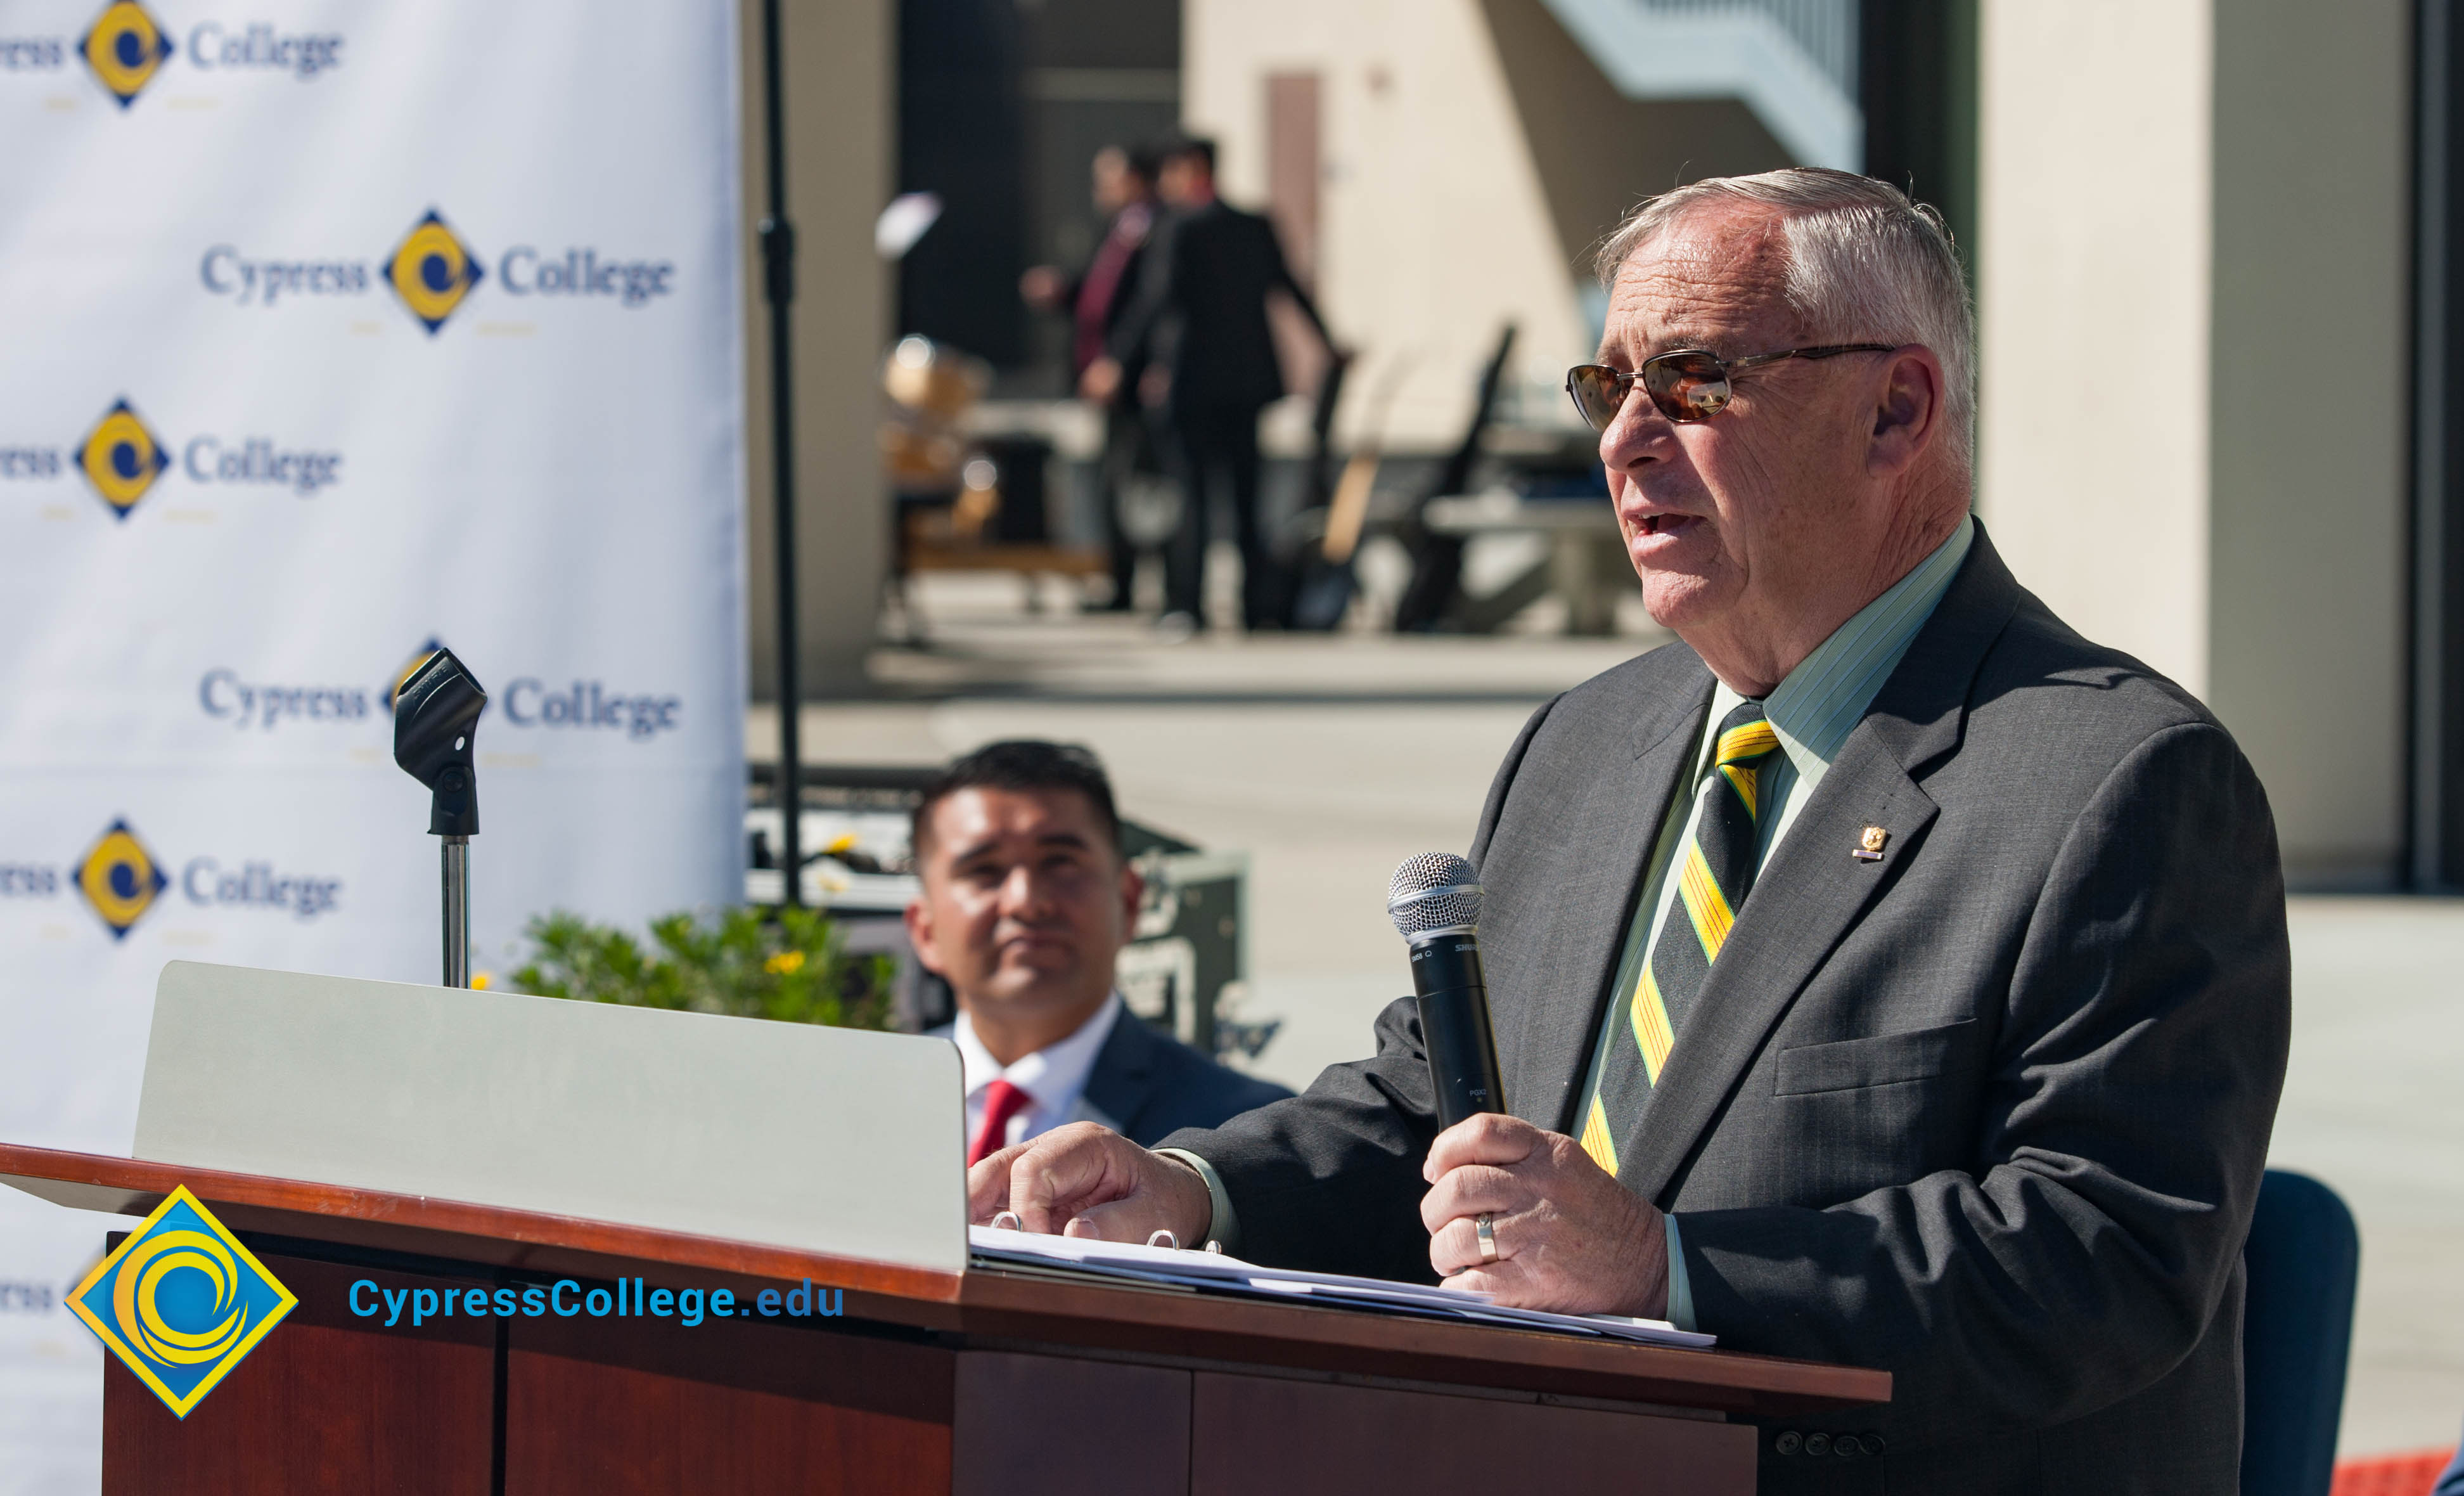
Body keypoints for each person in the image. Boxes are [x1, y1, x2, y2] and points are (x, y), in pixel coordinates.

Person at [973, 170, 2291, 1494]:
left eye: (1696, 381)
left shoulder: (2118, 781)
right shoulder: (1585, 742)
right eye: (1608, 388)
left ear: (1896, 409)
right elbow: (1443, 1103)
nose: (1624, 440)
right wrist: (1193, 1189)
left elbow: (2105, 1253)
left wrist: (1670, 1271)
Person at [906, 738, 1289, 1160]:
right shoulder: (868, 1097)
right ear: (925, 930)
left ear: (1129, 901)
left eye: (1060, 862)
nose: (1026, 901)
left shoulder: (1248, 1136)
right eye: (985, 871)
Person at [1086, 136, 1334, 636]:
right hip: (1247, 384)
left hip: (1191, 382)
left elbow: (1154, 302)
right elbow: (1288, 287)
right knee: (1246, 498)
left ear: (1193, 167)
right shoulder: (1253, 224)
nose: (1165, 184)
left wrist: (1117, 362)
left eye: (1171, 172)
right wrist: (1328, 341)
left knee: (1192, 497)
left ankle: (1188, 605)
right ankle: (1256, 606)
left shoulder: (1178, 227)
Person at [1022, 145, 1163, 612]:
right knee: (1112, 483)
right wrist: (1063, 291)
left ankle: (1149, 584)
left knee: (1137, 484)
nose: (1100, 190)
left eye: (1109, 179)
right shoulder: (1121, 229)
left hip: (1137, 380)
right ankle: (1119, 581)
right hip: (1106, 380)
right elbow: (1101, 296)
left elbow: (1147, 307)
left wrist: (1119, 362)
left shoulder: (1157, 229)